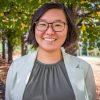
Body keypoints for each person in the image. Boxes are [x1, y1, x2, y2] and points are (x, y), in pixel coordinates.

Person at [5, 2, 96, 100]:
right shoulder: (16, 67)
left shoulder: (84, 69)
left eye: (57, 25)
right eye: (43, 24)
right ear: (34, 28)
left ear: (68, 30)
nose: (50, 32)